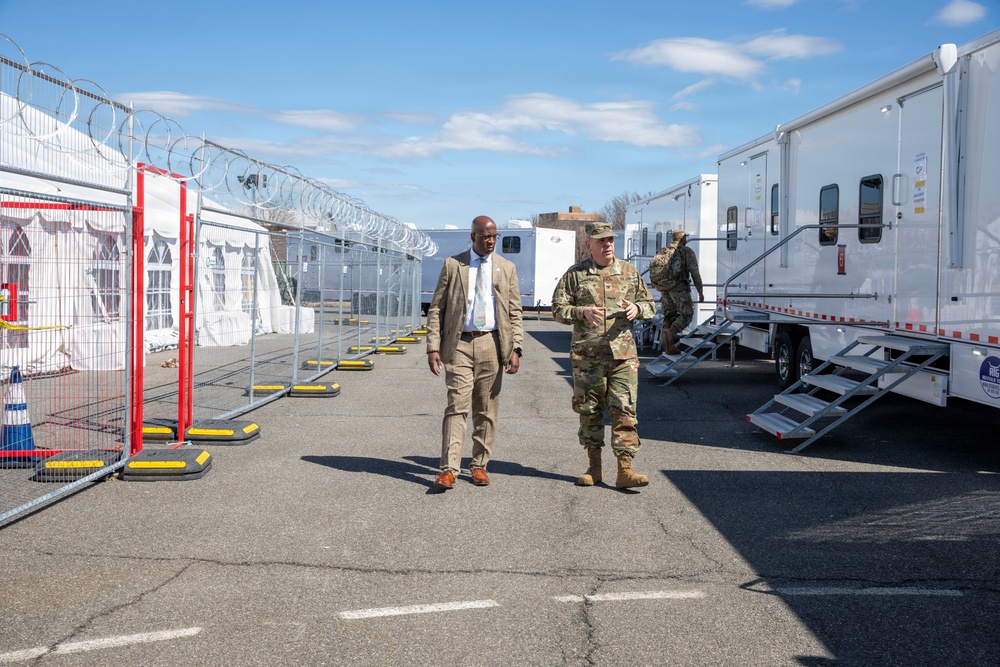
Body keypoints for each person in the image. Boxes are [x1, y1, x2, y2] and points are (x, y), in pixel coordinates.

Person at [551, 221, 656, 489]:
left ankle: (625, 470)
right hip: (588, 358)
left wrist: (637, 309)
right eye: (601, 241)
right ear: (589, 245)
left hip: (623, 357)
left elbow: (650, 305)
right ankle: (594, 468)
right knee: (590, 412)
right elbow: (557, 309)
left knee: (625, 412)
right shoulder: (575, 275)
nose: (607, 244)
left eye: (610, 240)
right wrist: (580, 312)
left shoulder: (629, 273)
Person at [425, 216, 524, 490]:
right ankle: (449, 469)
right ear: (473, 237)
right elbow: (436, 309)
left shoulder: (507, 268)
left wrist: (516, 348)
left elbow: (515, 312)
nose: (490, 241)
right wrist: (433, 346)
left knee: (487, 409)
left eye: (494, 236)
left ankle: (479, 465)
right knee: (456, 406)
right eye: (485, 237)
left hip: (492, 344)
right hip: (459, 345)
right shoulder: (453, 265)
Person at [652, 229, 704, 356]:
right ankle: (671, 333)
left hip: (664, 288)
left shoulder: (664, 251)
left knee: (670, 315)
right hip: (679, 288)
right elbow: (695, 273)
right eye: (685, 237)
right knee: (687, 314)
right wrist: (700, 291)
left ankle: (669, 346)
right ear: (682, 238)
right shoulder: (686, 252)